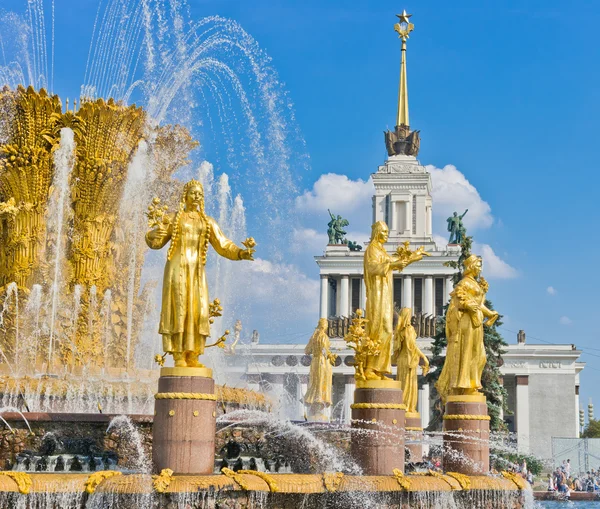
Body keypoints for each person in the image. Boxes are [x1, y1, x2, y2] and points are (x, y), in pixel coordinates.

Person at [146, 180, 255, 367]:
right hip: (176, 269)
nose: (196, 196)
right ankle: (179, 355)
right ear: (185, 195)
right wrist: (152, 233)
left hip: (196, 272)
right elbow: (156, 243)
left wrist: (241, 253)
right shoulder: (173, 218)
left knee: (197, 310)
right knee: (178, 309)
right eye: (193, 193)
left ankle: (193, 354)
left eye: (200, 194)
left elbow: (223, 245)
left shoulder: (208, 222)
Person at [363, 221, 424, 380]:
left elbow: (395, 262)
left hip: (384, 296)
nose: (386, 235)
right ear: (376, 232)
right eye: (383, 232)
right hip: (377, 296)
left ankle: (379, 369)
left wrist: (413, 257)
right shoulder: (372, 249)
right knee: (377, 329)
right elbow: (372, 268)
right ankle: (370, 368)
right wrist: (392, 264)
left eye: (387, 232)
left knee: (387, 330)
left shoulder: (381, 250)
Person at [435, 255, 499, 404]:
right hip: (467, 324)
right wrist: (467, 305)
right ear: (471, 266)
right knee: (467, 353)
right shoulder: (464, 283)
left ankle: (472, 383)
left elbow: (478, 304)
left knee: (479, 355)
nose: (480, 269)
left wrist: (490, 313)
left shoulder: (474, 284)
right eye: (478, 265)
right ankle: (463, 385)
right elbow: (457, 302)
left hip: (476, 324)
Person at [393, 308, 430, 413]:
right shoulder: (409, 329)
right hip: (408, 360)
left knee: (402, 383)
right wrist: (424, 357)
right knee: (408, 384)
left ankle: (403, 405)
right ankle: (408, 407)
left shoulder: (400, 331)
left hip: (402, 359)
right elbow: (412, 346)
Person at [304, 319, 337, 421]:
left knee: (315, 382)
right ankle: (319, 401)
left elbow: (307, 351)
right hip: (322, 362)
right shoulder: (323, 337)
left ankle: (312, 401)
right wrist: (332, 356)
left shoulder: (313, 337)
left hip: (314, 361)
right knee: (322, 383)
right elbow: (324, 351)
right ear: (325, 326)